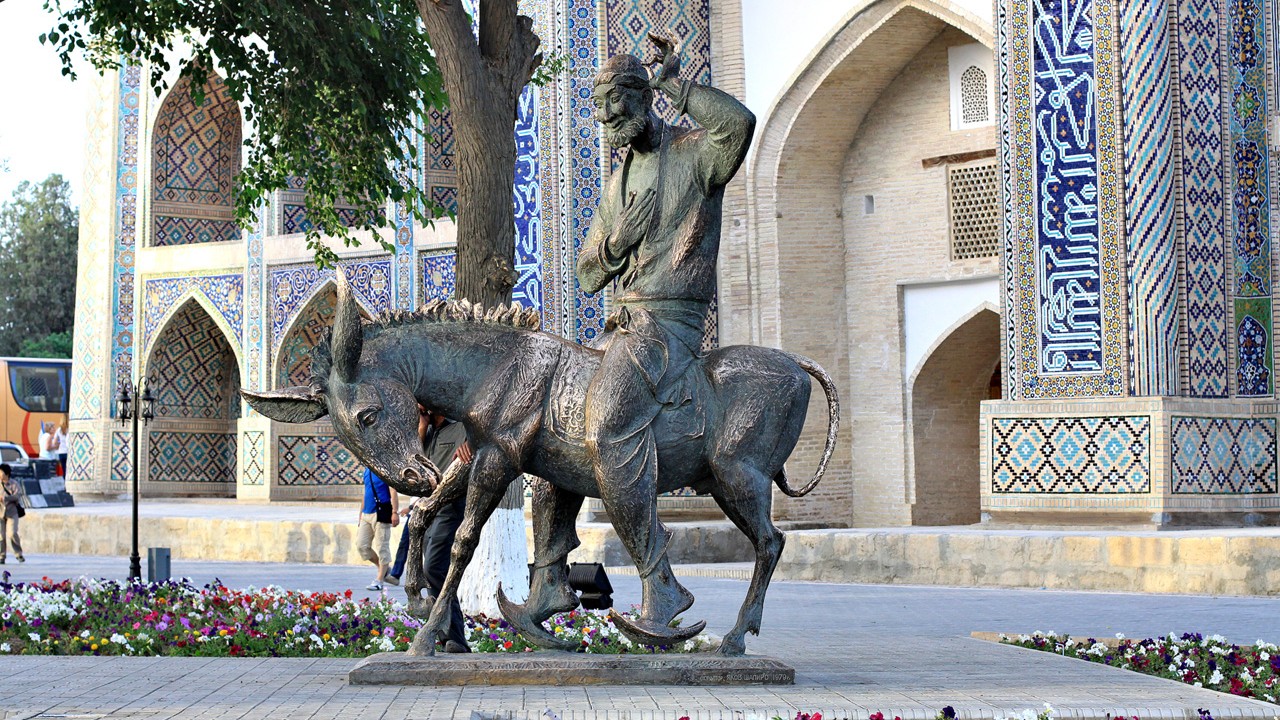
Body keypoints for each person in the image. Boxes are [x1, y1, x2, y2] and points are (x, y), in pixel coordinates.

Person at [575, 35, 754, 631]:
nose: (607, 122)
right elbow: (585, 272)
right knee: (549, 417)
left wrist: (676, 84)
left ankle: (661, 584)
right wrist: (615, 242)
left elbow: (740, 123)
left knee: (603, 424)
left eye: (616, 108)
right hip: (621, 324)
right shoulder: (617, 181)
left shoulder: (696, 154)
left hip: (670, 325)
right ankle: (549, 577)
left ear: (642, 96)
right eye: (600, 112)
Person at [387, 404, 473, 652]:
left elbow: (481, 449)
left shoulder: (461, 427)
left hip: (450, 506)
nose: (417, 405)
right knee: (438, 573)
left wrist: (472, 446)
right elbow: (412, 465)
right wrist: (422, 427)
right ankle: (451, 637)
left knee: (433, 567)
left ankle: (454, 636)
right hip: (426, 509)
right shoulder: (428, 430)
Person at [356, 464, 398, 591]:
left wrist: (395, 512)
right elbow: (366, 492)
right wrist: (360, 514)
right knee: (362, 546)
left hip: (381, 513)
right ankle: (383, 568)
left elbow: (393, 491)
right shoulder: (366, 471)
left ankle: (379, 580)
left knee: (382, 547)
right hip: (366, 514)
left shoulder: (385, 469)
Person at [0, 464, 25, 564]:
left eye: (1, 472)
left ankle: (18, 554)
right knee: (0, 536)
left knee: (12, 533)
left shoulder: (14, 484)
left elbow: (17, 496)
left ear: (7, 474)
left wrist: (5, 498)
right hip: (0, 512)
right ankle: (1, 556)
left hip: (12, 512)